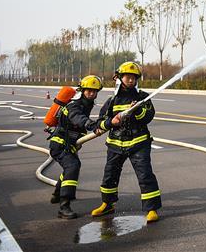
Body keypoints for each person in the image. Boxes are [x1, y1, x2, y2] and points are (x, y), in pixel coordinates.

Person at [90, 61, 162, 222]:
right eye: (127, 77)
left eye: (133, 78)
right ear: (120, 78)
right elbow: (100, 122)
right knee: (110, 175)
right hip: (115, 144)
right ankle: (107, 204)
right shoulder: (112, 100)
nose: (130, 80)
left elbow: (149, 116)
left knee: (145, 175)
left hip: (139, 143)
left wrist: (138, 111)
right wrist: (111, 122)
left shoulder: (143, 97)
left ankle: (151, 209)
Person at [48, 75, 104, 219]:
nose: (91, 93)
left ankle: (56, 194)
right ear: (82, 90)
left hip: (69, 144)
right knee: (73, 166)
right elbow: (77, 118)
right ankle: (64, 206)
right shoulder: (74, 105)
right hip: (60, 144)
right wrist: (91, 125)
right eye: (88, 91)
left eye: (94, 91)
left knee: (70, 167)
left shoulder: (86, 104)